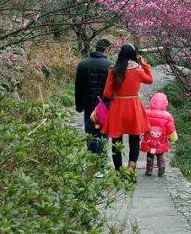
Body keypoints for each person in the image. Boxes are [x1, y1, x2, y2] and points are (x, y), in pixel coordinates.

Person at [102, 44, 153, 173]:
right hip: (133, 107)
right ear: (132, 55)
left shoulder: (113, 70)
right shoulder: (138, 70)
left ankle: (119, 170)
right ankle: (131, 168)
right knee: (134, 139)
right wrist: (145, 64)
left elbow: (107, 94)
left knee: (116, 140)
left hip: (118, 108)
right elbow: (150, 80)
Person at [74, 39, 113, 158]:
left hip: (88, 104)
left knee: (90, 132)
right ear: (106, 49)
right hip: (104, 106)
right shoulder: (110, 65)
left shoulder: (83, 64)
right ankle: (101, 162)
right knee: (102, 133)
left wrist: (79, 105)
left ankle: (91, 160)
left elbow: (78, 87)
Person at [141, 92, 177, 177]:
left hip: (149, 141)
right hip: (161, 142)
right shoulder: (168, 116)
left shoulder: (146, 113)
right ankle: (161, 166)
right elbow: (171, 129)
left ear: (152, 102)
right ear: (165, 103)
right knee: (160, 155)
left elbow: (142, 125)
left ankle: (149, 170)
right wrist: (173, 138)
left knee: (150, 155)